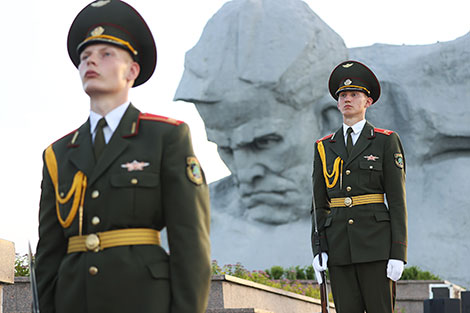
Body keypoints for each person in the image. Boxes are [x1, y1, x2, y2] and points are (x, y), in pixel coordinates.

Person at [35, 1, 211, 313]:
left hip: (143, 299)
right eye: (85, 57)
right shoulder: (58, 154)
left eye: (106, 54)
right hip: (74, 300)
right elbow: (49, 253)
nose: (91, 62)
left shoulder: (165, 137)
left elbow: (190, 243)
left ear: (131, 71)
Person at [311, 60, 407, 313]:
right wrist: (318, 249)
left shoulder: (385, 141)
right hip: (339, 246)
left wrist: (399, 252)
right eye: (342, 95)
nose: (347, 99)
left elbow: (397, 202)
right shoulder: (323, 146)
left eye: (354, 94)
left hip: (376, 245)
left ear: (368, 101)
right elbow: (319, 204)